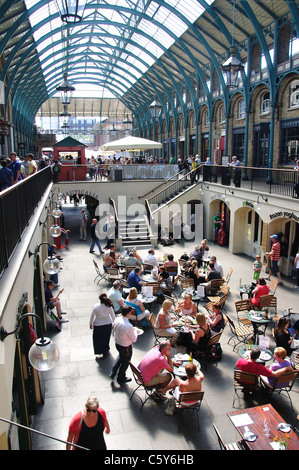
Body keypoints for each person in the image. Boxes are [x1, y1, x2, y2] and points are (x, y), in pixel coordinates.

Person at [109, 305, 138, 384]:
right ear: (128, 313)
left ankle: (113, 371)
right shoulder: (129, 326)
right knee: (125, 362)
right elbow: (134, 339)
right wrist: (135, 331)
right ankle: (121, 377)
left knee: (121, 356)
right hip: (125, 346)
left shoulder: (117, 319)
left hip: (118, 343)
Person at [89, 293, 116, 357]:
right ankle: (105, 349)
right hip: (107, 324)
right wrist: (114, 323)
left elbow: (92, 315)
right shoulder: (109, 306)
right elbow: (113, 316)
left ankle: (99, 350)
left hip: (98, 324)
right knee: (106, 338)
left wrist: (90, 323)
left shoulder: (96, 306)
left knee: (98, 339)